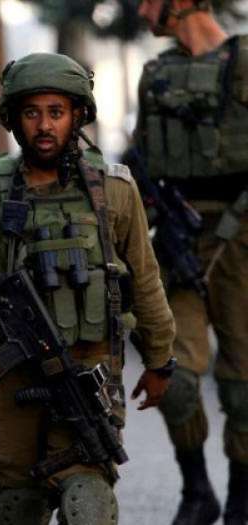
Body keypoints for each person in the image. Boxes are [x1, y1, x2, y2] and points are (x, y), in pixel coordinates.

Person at [0, 52, 176, 524]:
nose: (45, 125)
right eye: (32, 113)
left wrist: (159, 360)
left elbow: (146, 280)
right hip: (14, 377)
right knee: (19, 503)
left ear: (78, 115)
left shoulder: (114, 190)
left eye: (57, 112)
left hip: (89, 371)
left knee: (89, 500)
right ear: (14, 120)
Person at [132, 2, 248, 523]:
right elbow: (140, 159)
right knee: (173, 374)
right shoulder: (156, 74)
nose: (142, 9)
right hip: (178, 239)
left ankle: (242, 493)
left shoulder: (244, 61)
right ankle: (197, 489)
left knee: (243, 384)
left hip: (241, 240)